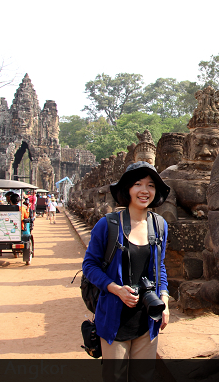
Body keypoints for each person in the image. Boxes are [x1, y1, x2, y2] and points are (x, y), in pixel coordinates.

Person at [82, 161, 170, 382]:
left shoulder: (159, 225)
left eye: (150, 185)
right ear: (127, 189)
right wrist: (116, 289)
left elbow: (160, 266)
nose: (144, 190)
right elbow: (89, 266)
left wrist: (164, 300)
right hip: (115, 316)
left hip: (148, 317)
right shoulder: (108, 225)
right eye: (138, 184)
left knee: (143, 376)